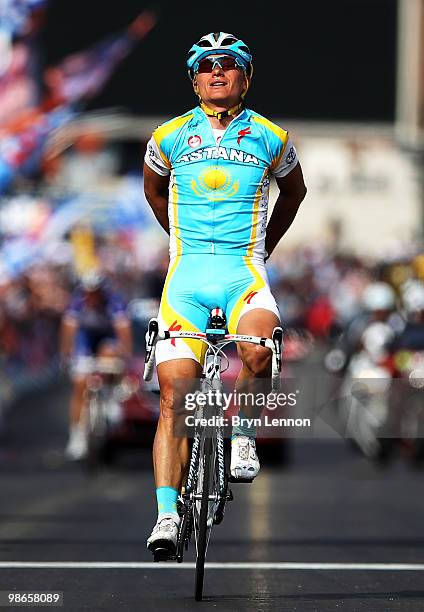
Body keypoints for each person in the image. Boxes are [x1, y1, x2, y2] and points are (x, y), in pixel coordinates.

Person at [143, 32, 307, 557]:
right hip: (186, 279)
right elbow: (152, 188)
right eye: (206, 67)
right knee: (175, 397)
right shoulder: (168, 135)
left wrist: (268, 246)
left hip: (243, 273)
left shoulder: (271, 135)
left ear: (245, 76)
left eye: (228, 65)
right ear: (194, 79)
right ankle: (168, 515)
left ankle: (242, 438)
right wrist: (177, 243)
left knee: (260, 351)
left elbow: (295, 191)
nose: (217, 73)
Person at [60, 270, 132, 460]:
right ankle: (76, 436)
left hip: (107, 338)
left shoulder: (113, 301)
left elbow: (123, 330)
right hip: (85, 341)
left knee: (110, 354)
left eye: (95, 292)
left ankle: (109, 396)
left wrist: (125, 356)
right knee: (79, 385)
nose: (91, 296)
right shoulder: (78, 301)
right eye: (88, 292)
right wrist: (66, 354)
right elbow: (68, 329)